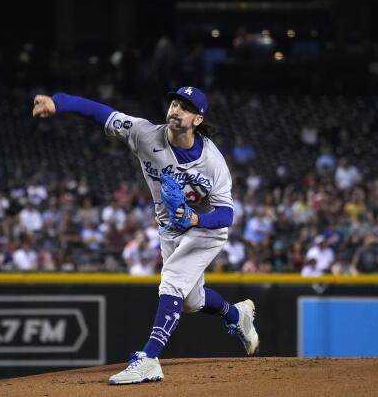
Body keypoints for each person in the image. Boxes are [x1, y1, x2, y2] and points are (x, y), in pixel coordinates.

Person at [32, 86, 259, 385]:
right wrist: (58, 103)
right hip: (169, 228)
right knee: (190, 300)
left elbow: (226, 215)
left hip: (205, 228)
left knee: (172, 281)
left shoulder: (213, 162)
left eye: (186, 107)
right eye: (175, 103)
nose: (176, 109)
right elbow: (99, 111)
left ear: (197, 120)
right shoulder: (143, 133)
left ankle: (149, 359)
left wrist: (196, 218)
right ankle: (235, 315)